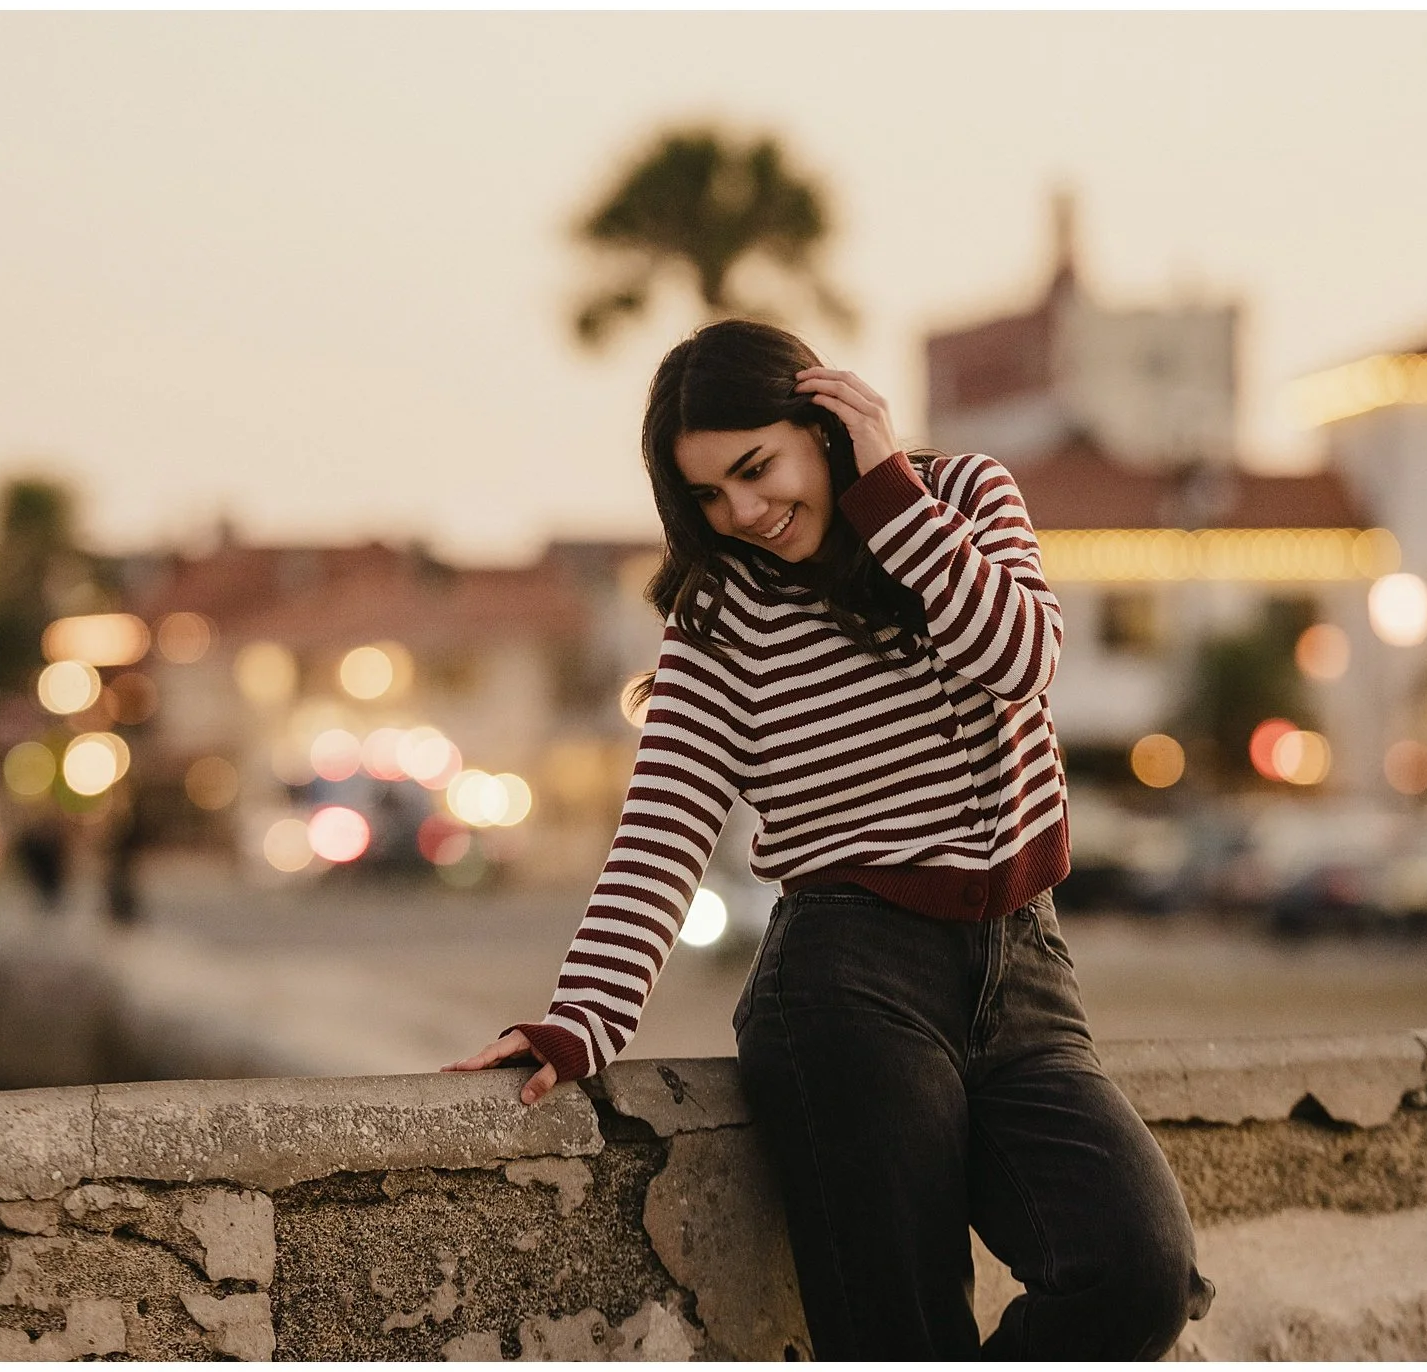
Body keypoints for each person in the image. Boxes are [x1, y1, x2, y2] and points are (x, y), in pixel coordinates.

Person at [444, 318, 1213, 1358]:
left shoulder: (962, 498)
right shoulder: (720, 612)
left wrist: (886, 492)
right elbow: (663, 825)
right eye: (709, 494)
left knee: (1135, 1272)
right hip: (847, 987)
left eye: (757, 469)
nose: (744, 512)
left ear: (824, 421)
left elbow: (1019, 655)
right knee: (901, 1336)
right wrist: (580, 1019)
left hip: (1023, 971)